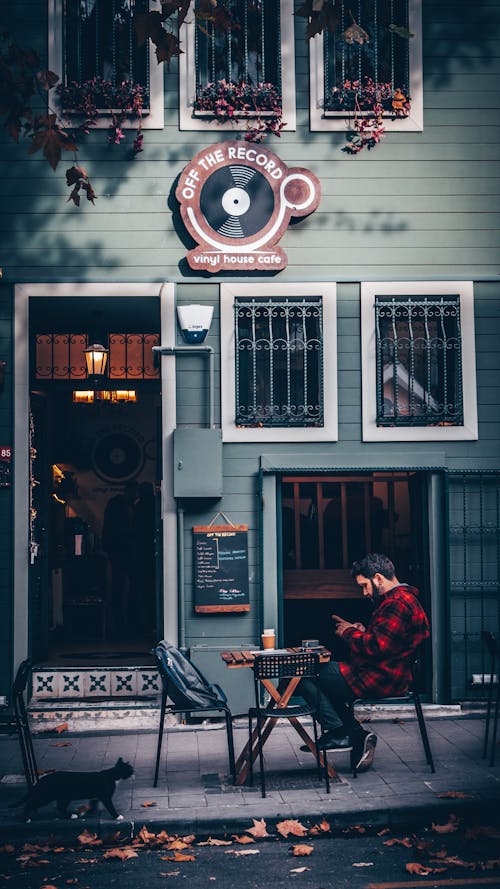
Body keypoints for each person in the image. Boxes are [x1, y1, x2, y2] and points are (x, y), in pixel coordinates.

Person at [299, 552, 430, 772]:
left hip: (379, 677)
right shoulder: (404, 600)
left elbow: (375, 647)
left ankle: (342, 732)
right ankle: (354, 733)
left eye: (364, 586)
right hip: (385, 673)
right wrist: (362, 631)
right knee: (319, 678)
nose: (364, 592)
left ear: (378, 578)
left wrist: (349, 632)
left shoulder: (397, 604)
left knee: (301, 673)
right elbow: (387, 643)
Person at [102, 480, 139, 637]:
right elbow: (126, 529)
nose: (136, 495)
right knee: (128, 586)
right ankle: (124, 624)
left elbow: (108, 528)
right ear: (131, 491)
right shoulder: (126, 506)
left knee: (118, 586)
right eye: (135, 492)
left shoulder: (117, 504)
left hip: (116, 550)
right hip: (123, 550)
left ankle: (119, 623)